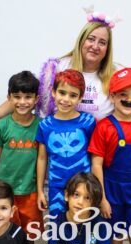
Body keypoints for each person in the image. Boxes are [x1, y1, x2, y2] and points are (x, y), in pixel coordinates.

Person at [0, 9, 131, 123]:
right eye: (91, 39)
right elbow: (25, 96)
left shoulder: (116, 74)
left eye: (102, 42)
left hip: (99, 153)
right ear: (81, 40)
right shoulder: (57, 68)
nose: (95, 46)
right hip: (60, 151)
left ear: (108, 48)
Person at [88, 68, 131, 244]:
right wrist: (103, 199)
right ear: (112, 97)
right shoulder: (103, 127)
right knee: (116, 239)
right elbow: (96, 165)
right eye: (123, 94)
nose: (129, 100)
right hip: (111, 190)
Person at [36, 69, 96, 216]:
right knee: (57, 230)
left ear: (80, 98)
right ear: (53, 92)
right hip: (57, 187)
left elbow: (95, 156)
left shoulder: (88, 122)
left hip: (84, 189)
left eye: (73, 95)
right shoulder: (45, 125)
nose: (66, 99)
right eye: (62, 93)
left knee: (83, 228)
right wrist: (40, 191)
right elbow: (42, 158)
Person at [0, 71, 43, 235]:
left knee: (30, 235)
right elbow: (0, 157)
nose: (22, 102)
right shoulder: (0, 126)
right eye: (17, 97)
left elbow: (42, 158)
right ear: (9, 98)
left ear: (36, 99)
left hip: (31, 192)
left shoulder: (42, 126)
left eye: (28, 97)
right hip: (6, 192)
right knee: (7, 234)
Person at [49, 172, 111, 244]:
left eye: (87, 198)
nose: (80, 202)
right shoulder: (57, 223)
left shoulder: (101, 225)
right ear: (66, 195)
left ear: (94, 203)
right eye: (76, 195)